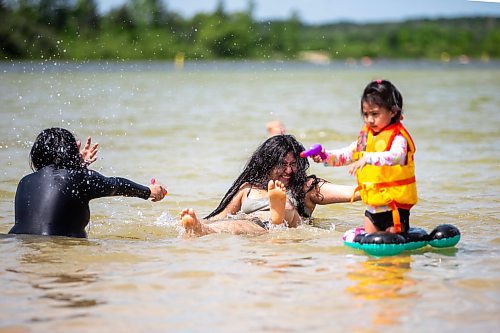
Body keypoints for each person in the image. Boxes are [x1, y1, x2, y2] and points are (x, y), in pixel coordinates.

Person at [180, 134, 359, 237]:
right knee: (236, 226)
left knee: (288, 209)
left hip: (290, 221)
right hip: (258, 225)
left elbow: (354, 193)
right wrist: (200, 222)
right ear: (267, 163)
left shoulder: (307, 187)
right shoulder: (248, 188)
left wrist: (379, 181)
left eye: (293, 164)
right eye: (283, 164)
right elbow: (221, 216)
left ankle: (278, 214)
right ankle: (199, 230)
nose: (289, 170)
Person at [9, 127, 168, 238]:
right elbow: (115, 185)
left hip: (20, 245)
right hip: (55, 249)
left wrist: (78, 167)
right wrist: (148, 191)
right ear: (70, 152)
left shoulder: (24, 182)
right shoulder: (77, 178)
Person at [313, 79, 417, 234]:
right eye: (366, 114)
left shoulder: (398, 137)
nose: (369, 119)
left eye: (375, 114)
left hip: (394, 207)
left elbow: (397, 156)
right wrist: (325, 156)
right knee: (370, 251)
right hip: (373, 207)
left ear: (393, 111)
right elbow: (348, 155)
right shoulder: (366, 136)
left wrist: (368, 158)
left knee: (393, 250)